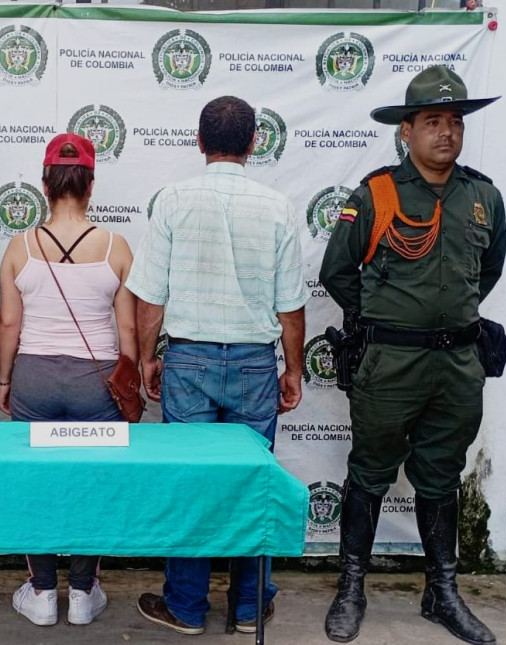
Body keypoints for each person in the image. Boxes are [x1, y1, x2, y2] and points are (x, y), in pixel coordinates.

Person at [319, 66, 504, 645]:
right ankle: (351, 588)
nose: (447, 132)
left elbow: (488, 271)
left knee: (442, 476)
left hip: (459, 367)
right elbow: (338, 273)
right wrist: (390, 318)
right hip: (390, 365)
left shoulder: (484, 197)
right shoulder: (376, 195)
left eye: (455, 121)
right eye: (432, 121)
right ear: (406, 131)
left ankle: (442, 592)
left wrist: (444, 317)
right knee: (370, 473)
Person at [127, 96, 308, 635]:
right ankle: (249, 606)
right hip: (254, 365)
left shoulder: (173, 200)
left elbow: (150, 298)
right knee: (253, 485)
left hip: (189, 361)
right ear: (254, 143)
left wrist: (148, 358)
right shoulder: (277, 207)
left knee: (191, 485)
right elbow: (290, 305)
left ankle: (186, 606)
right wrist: (293, 369)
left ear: (200, 141)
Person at [0, 133, 137, 627]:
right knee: (92, 483)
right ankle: (81, 592)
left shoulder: (20, 246)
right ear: (90, 185)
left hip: (34, 376)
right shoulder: (117, 247)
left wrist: (5, 380)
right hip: (95, 382)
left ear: (44, 184)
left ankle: (41, 592)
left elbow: (9, 324)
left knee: (35, 482)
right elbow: (128, 331)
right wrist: (130, 384)